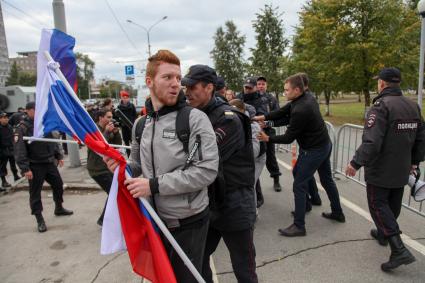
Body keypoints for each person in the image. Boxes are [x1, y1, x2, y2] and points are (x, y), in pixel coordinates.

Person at [103, 50, 219, 283]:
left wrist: (154, 186)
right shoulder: (140, 124)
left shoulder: (194, 119)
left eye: (178, 78)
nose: (176, 84)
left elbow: (206, 171)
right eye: (167, 77)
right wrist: (120, 167)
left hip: (188, 222)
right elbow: (137, 165)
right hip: (153, 220)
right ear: (150, 82)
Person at [183, 64, 258, 283]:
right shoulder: (195, 115)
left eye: (192, 86)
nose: (186, 92)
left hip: (235, 204)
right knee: (198, 260)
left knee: (243, 268)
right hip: (210, 204)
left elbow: (200, 159)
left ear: (209, 87)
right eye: (184, 86)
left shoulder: (229, 119)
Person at [345, 67, 425, 272]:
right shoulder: (413, 106)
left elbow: (371, 142)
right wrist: (414, 162)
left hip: (380, 170)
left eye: (377, 81)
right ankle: (383, 233)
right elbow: (421, 139)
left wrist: (355, 163)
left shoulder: (381, 107)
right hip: (402, 169)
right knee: (392, 205)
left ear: (382, 83)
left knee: (378, 205)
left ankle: (398, 250)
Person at [256, 74, 345, 237]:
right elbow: (284, 112)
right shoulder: (304, 98)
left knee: (299, 183)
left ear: (297, 90)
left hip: (314, 150)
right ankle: (333, 210)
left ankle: (299, 225)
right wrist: (264, 118)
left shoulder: (302, 108)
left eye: (286, 90)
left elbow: (288, 137)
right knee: (320, 178)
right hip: (323, 145)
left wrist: (268, 138)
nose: (284, 93)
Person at [14, 102, 73, 233]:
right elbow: (19, 150)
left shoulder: (43, 123)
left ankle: (59, 207)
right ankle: (39, 219)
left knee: (58, 184)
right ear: (28, 111)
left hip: (48, 162)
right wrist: (25, 168)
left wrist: (58, 156)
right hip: (34, 165)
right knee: (35, 193)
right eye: (36, 109)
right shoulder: (22, 128)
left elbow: (51, 140)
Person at [240, 77, 283, 192]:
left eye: (263, 84)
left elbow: (275, 115)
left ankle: (276, 179)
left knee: (270, 157)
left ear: (266, 85)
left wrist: (266, 123)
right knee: (251, 161)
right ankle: (255, 191)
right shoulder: (240, 98)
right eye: (259, 84)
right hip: (248, 134)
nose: (261, 86)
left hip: (266, 132)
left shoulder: (268, 99)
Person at [87, 108, 122, 226]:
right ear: (100, 118)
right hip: (97, 169)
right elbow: (99, 147)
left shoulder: (108, 129)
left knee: (115, 192)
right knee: (114, 192)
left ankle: (105, 219)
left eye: (111, 117)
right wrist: (107, 133)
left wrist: (116, 133)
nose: (110, 120)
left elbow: (117, 145)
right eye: (108, 117)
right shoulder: (94, 130)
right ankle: (104, 219)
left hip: (107, 167)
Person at [229, 99, 266, 209]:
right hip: (247, 158)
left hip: (258, 158)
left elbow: (254, 152)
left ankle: (252, 213)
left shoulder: (251, 124)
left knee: (250, 184)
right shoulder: (234, 120)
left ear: (241, 111)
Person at [0, 112, 20, 190]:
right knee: (2, 167)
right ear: (0, 119)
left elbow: (13, 137)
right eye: (4, 118)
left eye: (7, 118)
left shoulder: (10, 127)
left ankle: (16, 176)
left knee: (13, 164)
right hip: (2, 150)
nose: (6, 119)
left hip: (11, 148)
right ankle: (4, 181)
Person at [117, 90, 137, 156]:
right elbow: (117, 117)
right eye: (124, 97)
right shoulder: (119, 107)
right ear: (121, 98)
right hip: (124, 127)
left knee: (133, 142)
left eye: (126, 97)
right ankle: (129, 156)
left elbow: (135, 116)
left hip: (131, 126)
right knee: (126, 143)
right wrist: (121, 123)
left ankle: (134, 156)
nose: (125, 99)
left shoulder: (132, 106)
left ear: (128, 98)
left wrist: (133, 123)